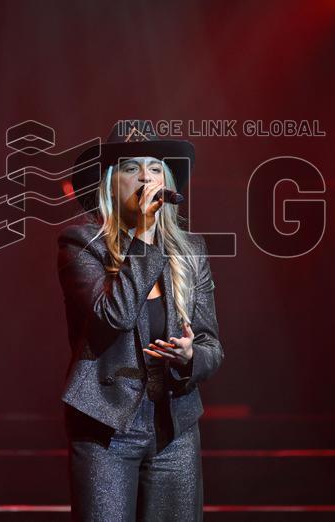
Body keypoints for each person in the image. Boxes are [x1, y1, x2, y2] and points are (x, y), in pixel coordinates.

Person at [57, 122, 223, 521]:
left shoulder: (191, 251)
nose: (145, 177)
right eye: (131, 167)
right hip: (106, 427)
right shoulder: (82, 245)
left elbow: (211, 345)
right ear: (111, 183)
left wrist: (189, 356)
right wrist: (145, 236)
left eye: (154, 167)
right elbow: (111, 316)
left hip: (174, 428)